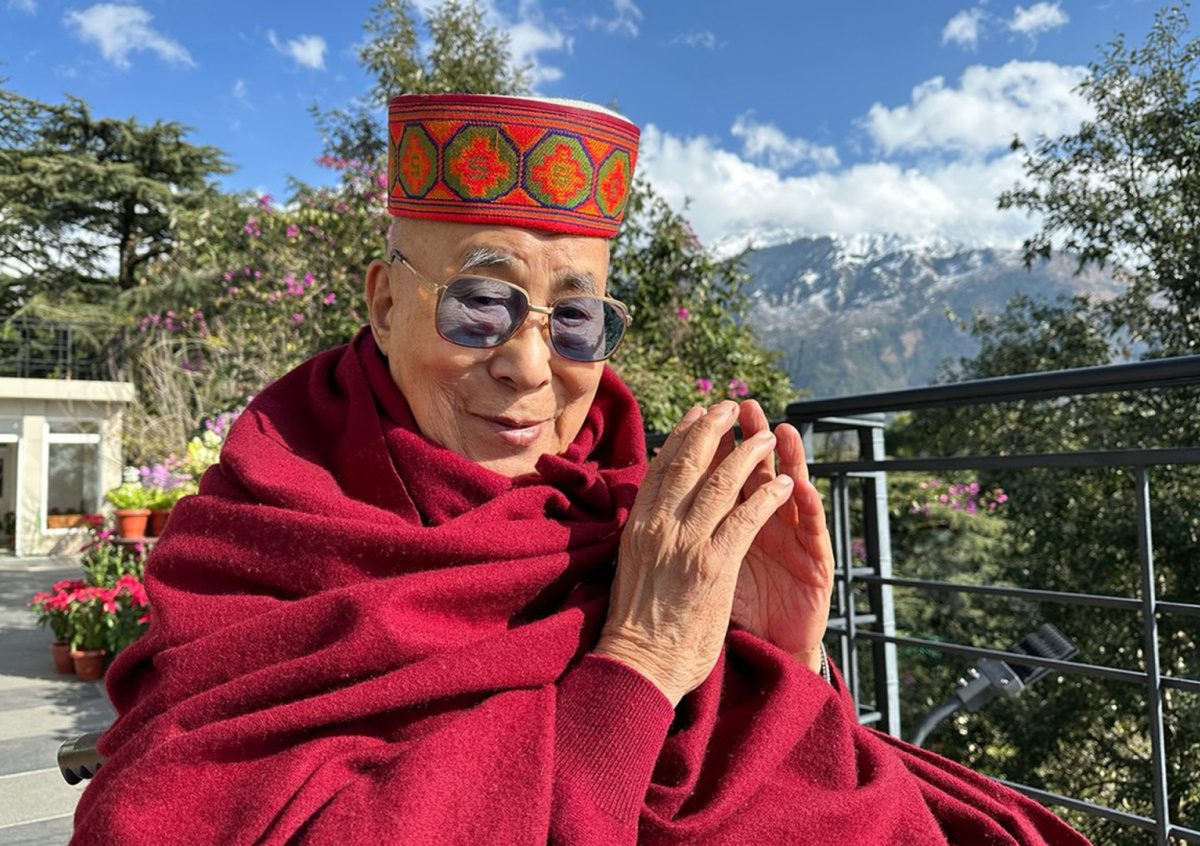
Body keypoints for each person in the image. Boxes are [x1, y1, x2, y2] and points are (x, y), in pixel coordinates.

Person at [71, 94, 1089, 845]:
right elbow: (163, 816)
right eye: (481, 303)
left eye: (575, 318)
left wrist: (782, 661)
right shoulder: (273, 515)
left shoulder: (634, 510)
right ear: (384, 303)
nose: (528, 366)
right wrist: (638, 665)